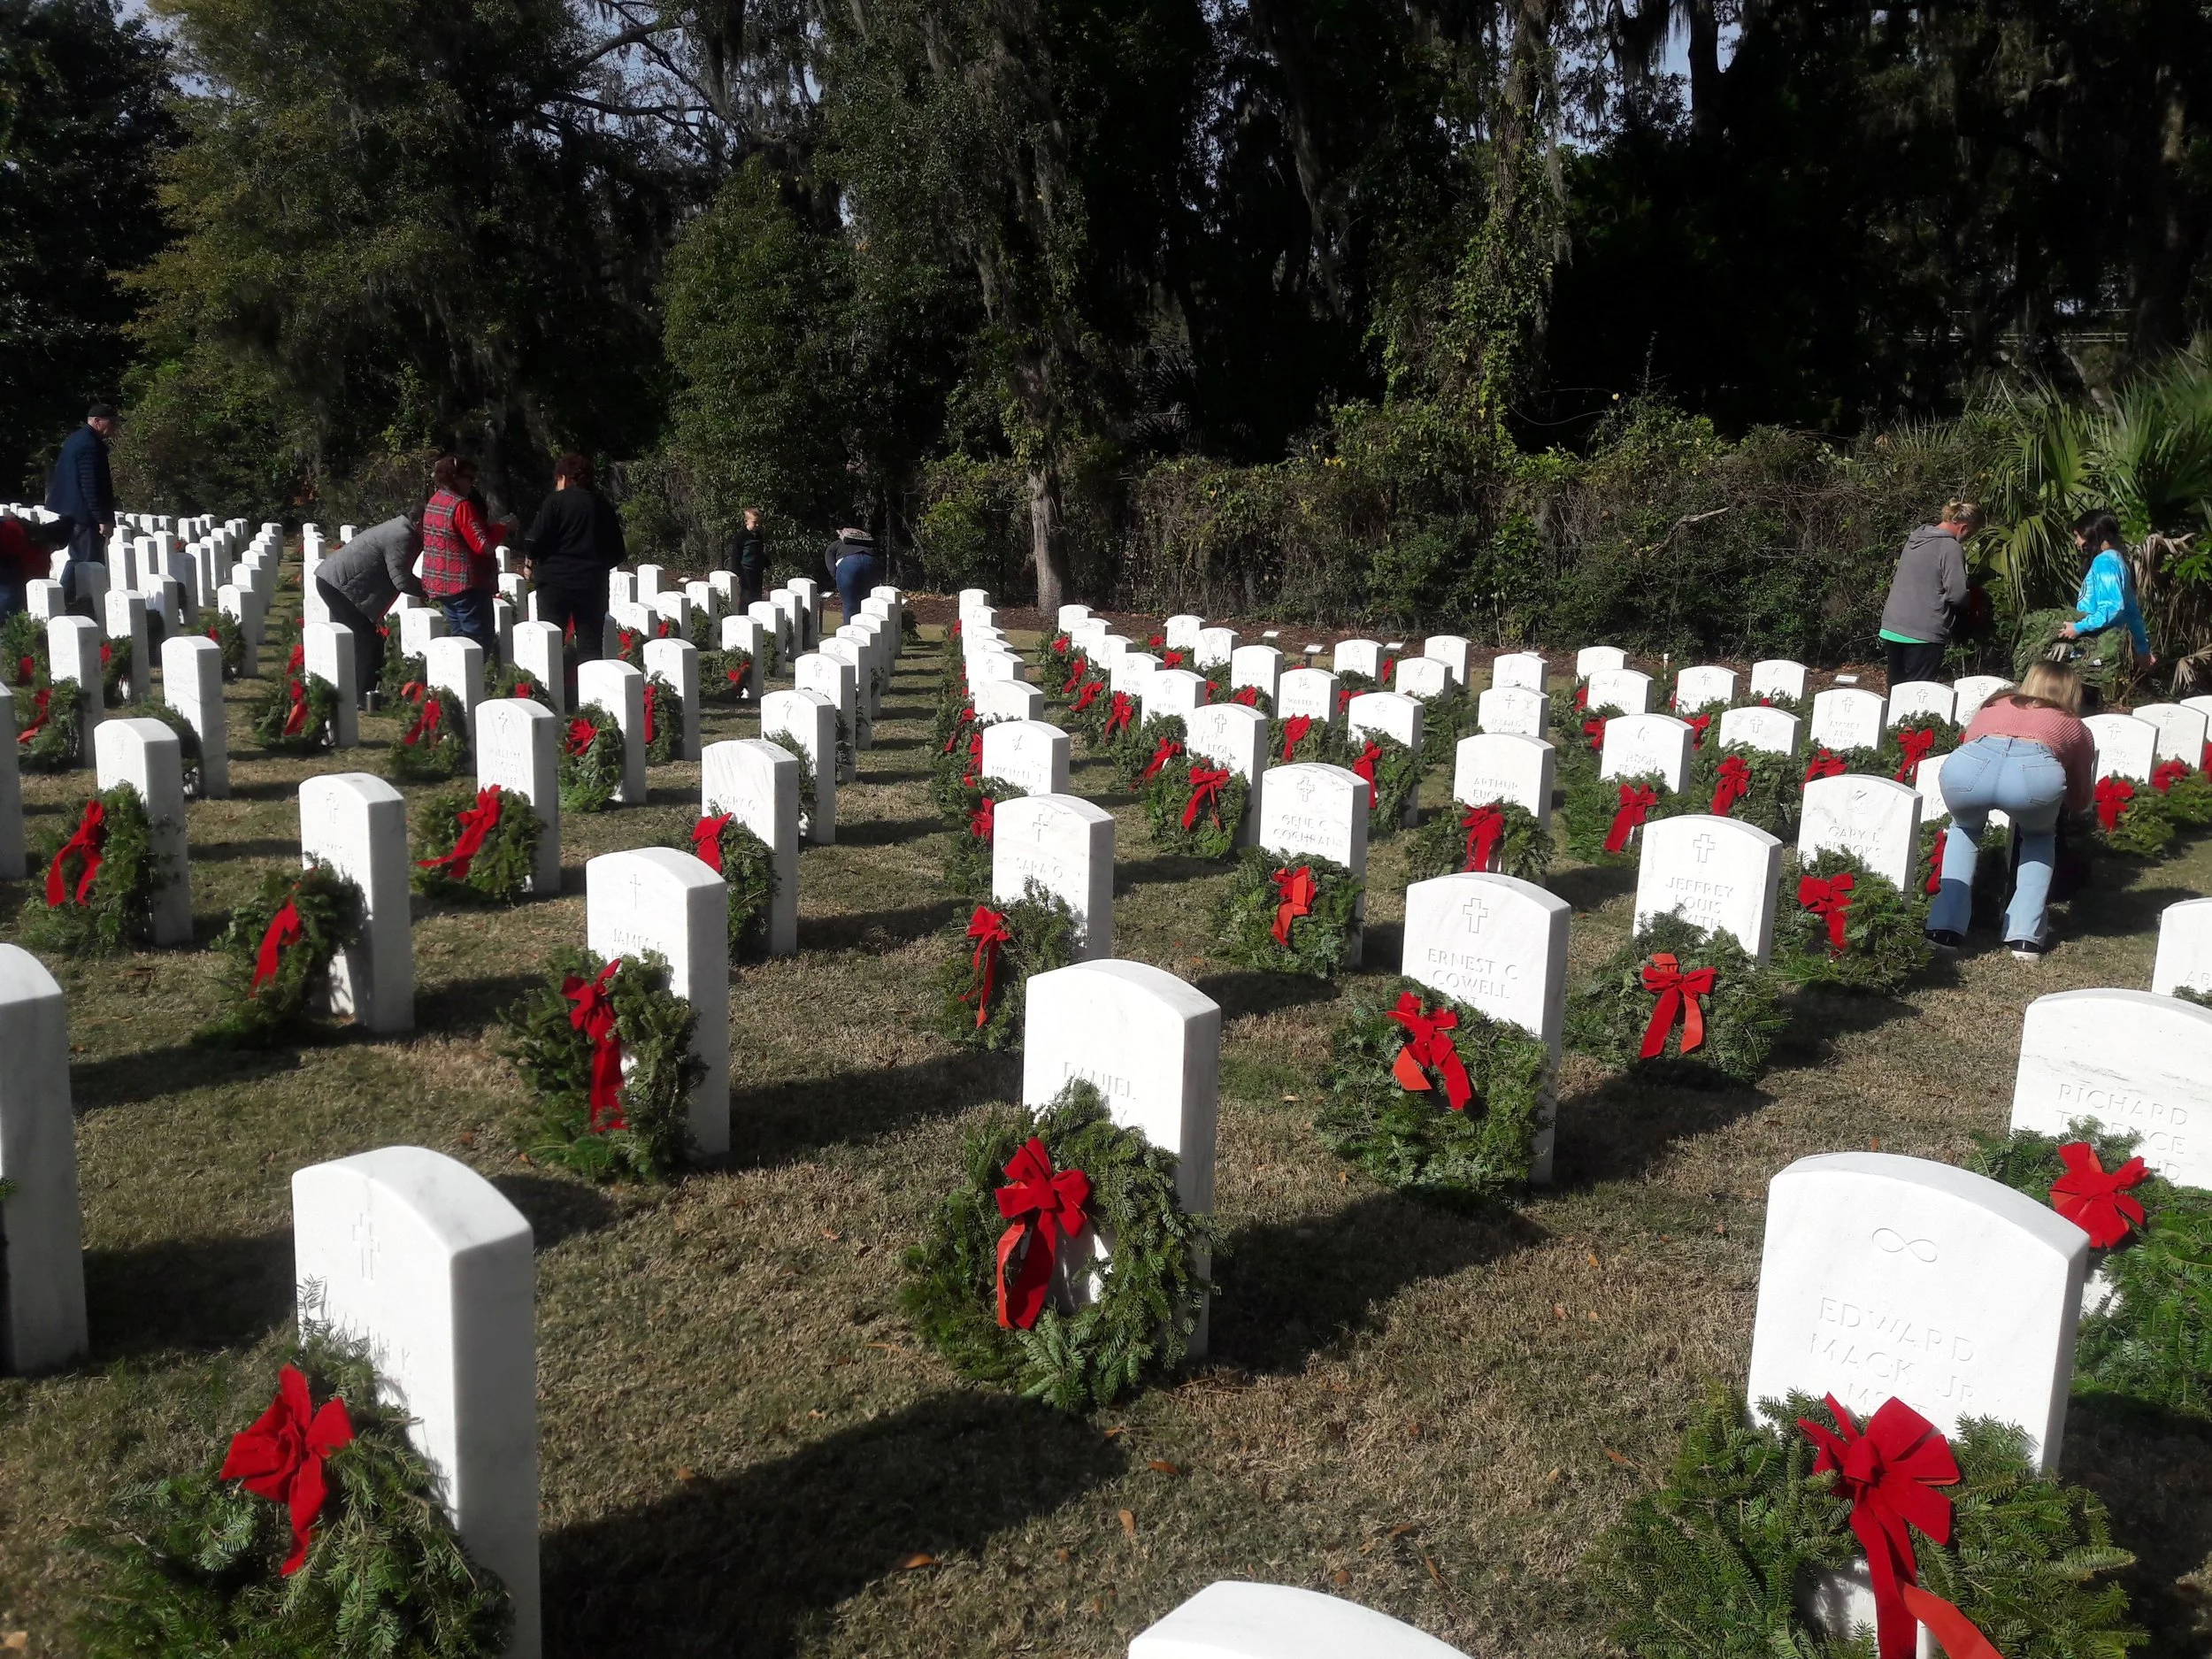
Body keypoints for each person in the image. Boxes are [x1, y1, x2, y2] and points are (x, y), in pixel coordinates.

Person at [1925, 662, 2095, 961]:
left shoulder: (1995, 704)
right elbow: (2080, 799)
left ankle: (1945, 929)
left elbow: (1970, 740)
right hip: (2033, 774)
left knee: (1964, 830)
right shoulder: (2074, 726)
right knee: (2039, 838)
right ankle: (2024, 938)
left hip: (1970, 765)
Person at [522, 452, 626, 677]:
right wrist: (596, 567)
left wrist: (532, 561)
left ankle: (552, 690)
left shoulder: (555, 502)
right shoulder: (602, 505)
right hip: (591, 584)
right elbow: (618, 551)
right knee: (590, 647)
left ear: (563, 478)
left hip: (554, 583)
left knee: (551, 643)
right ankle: (591, 693)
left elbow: (534, 540)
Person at [315, 515, 425, 705]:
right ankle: (363, 696)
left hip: (339, 582)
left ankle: (362, 691)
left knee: (364, 639)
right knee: (366, 640)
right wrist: (431, 591)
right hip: (339, 586)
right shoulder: (402, 535)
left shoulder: (403, 529)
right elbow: (401, 579)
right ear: (419, 522)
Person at [1878, 500, 1978, 687]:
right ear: (1964, 527)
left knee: (1897, 690)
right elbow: (1957, 594)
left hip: (1893, 625)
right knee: (1918, 693)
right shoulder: (1950, 547)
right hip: (1924, 631)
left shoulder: (1915, 538)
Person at [419, 455, 506, 653]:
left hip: (442, 584)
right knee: (477, 643)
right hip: (466, 586)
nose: (472, 483)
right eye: (469, 478)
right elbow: (483, 545)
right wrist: (503, 528)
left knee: (459, 641)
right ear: (454, 477)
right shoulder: (461, 506)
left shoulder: (435, 501)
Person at [42, 403, 119, 614]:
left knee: (82, 559)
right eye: (112, 422)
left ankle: (71, 603)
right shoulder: (89, 445)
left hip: (76, 511)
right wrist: (102, 518)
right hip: (85, 514)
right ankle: (62, 603)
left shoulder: (77, 439)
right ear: (97, 421)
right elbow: (91, 486)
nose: (115, 427)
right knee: (85, 561)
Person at [2061, 509, 2153, 681]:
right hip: (2109, 647)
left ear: (2091, 534)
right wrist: (2142, 648)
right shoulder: (2119, 561)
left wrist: (2079, 627)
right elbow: (2132, 611)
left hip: (2095, 647)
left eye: (2078, 536)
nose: (2076, 542)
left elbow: (2112, 607)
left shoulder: (2104, 562)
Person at [825, 525, 878, 626]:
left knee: (849, 603)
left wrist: (837, 577)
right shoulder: (866, 547)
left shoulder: (836, 544)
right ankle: (866, 629)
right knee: (865, 601)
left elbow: (831, 564)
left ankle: (849, 630)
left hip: (848, 564)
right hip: (870, 562)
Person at [732, 507, 768, 608]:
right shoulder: (741, 536)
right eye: (755, 522)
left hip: (757, 569)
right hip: (746, 570)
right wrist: (736, 572)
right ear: (746, 521)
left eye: (759, 523)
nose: (757, 525)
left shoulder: (758, 536)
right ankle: (744, 612)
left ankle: (756, 612)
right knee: (746, 594)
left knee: (757, 594)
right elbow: (736, 554)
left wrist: (766, 563)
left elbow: (760, 552)